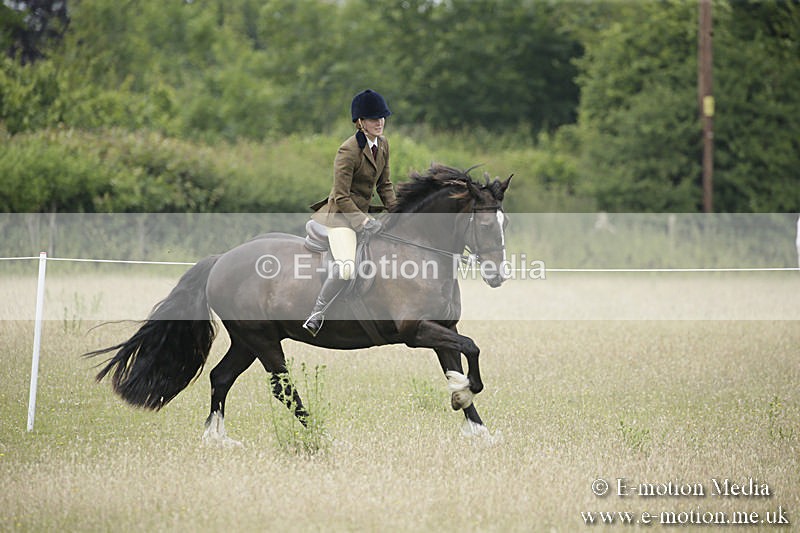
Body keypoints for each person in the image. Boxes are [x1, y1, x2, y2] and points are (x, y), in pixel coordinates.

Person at [303, 89, 397, 336]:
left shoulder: (383, 144)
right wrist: (364, 221)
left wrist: (398, 211)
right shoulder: (348, 151)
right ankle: (317, 313)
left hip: (361, 216)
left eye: (382, 117)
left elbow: (384, 184)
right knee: (346, 267)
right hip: (340, 219)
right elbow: (341, 196)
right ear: (360, 122)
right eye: (373, 118)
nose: (380, 122)